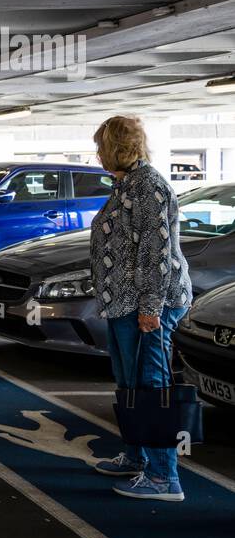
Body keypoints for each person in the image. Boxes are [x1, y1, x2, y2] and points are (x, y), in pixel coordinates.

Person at [89, 115, 192, 501]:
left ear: (117, 147)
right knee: (129, 386)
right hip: (123, 304)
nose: (97, 154)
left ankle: (165, 478)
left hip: (147, 305)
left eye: (101, 146)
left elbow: (155, 253)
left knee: (151, 388)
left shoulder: (148, 186)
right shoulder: (125, 185)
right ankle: (136, 457)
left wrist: (150, 308)